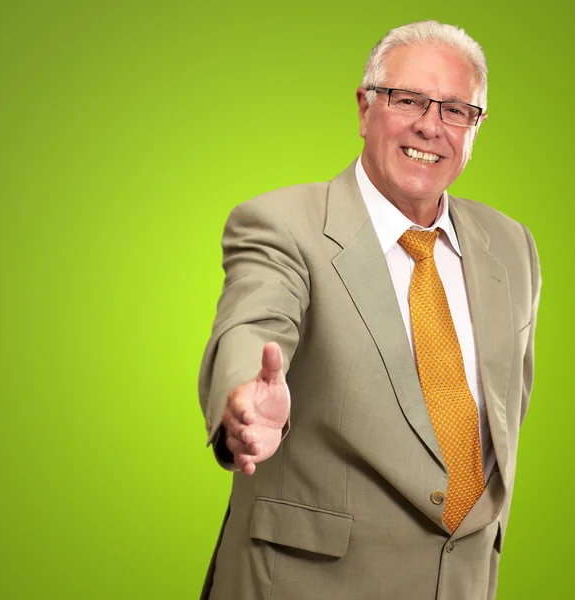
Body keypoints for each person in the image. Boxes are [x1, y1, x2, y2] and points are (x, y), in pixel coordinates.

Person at [198, 20, 540, 600]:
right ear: (365, 108)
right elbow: (254, 322)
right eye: (408, 100)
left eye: (457, 110)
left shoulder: (511, 245)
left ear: (476, 127)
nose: (430, 126)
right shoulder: (283, 225)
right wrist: (244, 400)